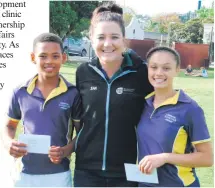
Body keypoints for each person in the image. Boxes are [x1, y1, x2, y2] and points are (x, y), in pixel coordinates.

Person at [74, 2, 153, 187]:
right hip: (86, 171)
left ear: (124, 40)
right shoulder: (83, 72)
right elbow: (77, 117)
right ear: (91, 39)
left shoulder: (141, 73)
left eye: (115, 37)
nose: (107, 44)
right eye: (101, 37)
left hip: (127, 171)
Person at [2, 33, 82, 187]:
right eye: (43, 56)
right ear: (33, 58)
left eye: (55, 56)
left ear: (63, 58)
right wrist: (8, 143)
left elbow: (82, 132)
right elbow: (9, 126)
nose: (49, 61)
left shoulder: (73, 93)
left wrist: (65, 151)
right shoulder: (20, 92)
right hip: (24, 174)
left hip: (59, 174)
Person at [137, 46, 213, 187]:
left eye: (166, 68)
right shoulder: (142, 104)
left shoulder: (190, 108)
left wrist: (165, 158)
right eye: (154, 67)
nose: (159, 73)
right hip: (145, 184)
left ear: (177, 70)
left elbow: (207, 158)